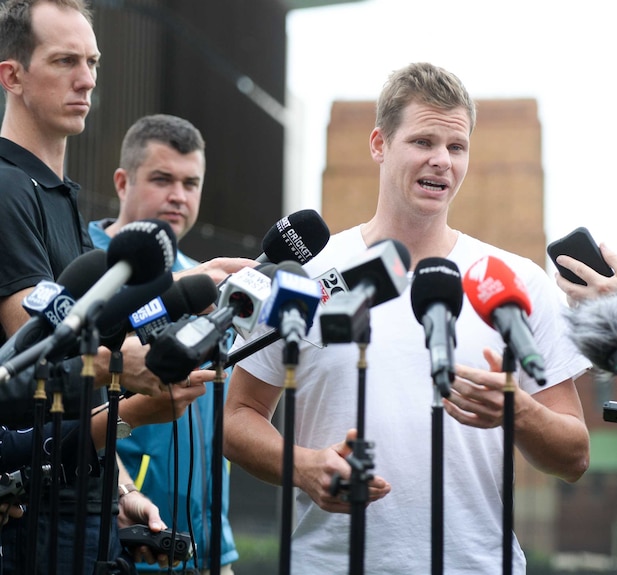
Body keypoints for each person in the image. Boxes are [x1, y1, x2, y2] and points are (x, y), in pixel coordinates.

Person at [223, 62, 591, 574]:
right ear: (379, 144)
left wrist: (518, 411)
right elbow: (237, 418)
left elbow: (573, 456)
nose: (441, 161)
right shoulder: (309, 274)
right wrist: (304, 468)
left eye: (456, 147)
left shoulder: (515, 281)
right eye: (423, 142)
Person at [0, 1, 168, 572]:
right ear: (12, 75)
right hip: (30, 522)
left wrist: (119, 492)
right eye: (65, 60)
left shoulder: (56, 194)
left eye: (92, 60)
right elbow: (34, 349)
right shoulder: (7, 188)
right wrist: (131, 373)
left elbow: (79, 397)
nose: (88, 78)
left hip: (77, 509)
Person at [89, 113, 255, 574]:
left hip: (203, 550)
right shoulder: (83, 272)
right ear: (123, 182)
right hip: (120, 542)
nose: (178, 196)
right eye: (162, 179)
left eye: (190, 182)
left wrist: (217, 550)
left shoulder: (211, 286)